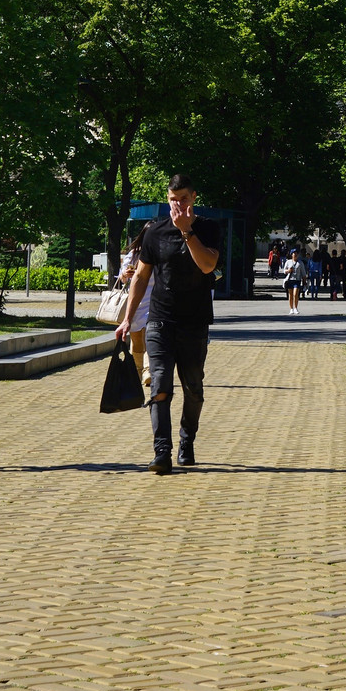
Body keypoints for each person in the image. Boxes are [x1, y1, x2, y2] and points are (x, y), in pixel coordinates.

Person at [117, 175, 220, 475]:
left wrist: (187, 232)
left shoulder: (208, 228)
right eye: (173, 200)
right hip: (160, 320)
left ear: (194, 198)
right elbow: (141, 276)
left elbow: (207, 265)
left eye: (184, 199)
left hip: (195, 321)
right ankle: (161, 451)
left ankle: (187, 439)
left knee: (193, 388)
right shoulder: (155, 232)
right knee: (160, 385)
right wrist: (127, 318)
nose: (178, 205)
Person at [119, 226, 154, 385]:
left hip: (153, 301)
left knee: (149, 337)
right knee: (136, 339)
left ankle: (148, 370)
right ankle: (138, 370)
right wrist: (125, 275)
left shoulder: (160, 254)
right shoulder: (132, 256)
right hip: (135, 302)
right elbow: (123, 279)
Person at [282, 247, 307, 313]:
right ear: (291, 255)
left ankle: (295, 307)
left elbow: (303, 273)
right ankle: (291, 308)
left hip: (297, 280)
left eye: (296, 253)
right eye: (293, 253)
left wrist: (305, 281)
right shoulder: (288, 262)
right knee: (290, 295)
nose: (295, 255)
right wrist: (288, 271)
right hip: (290, 280)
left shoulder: (300, 263)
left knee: (295, 294)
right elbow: (284, 271)